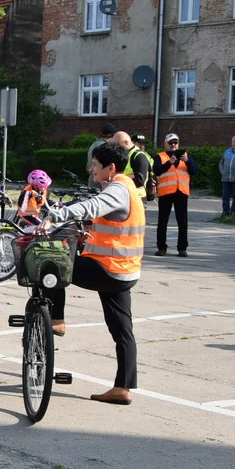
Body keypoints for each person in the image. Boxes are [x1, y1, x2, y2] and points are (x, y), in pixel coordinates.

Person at [40, 141, 144, 406]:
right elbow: (104, 217)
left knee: (53, 262)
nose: (91, 168)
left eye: (95, 165)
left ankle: (57, 319)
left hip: (108, 269)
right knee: (123, 331)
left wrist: (56, 216)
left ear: (111, 168)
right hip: (125, 272)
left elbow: (93, 207)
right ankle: (122, 387)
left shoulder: (118, 188)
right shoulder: (128, 187)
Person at [153, 133, 198, 256]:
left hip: (181, 192)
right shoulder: (160, 156)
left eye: (175, 143)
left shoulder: (186, 156)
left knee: (182, 222)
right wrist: (169, 163)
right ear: (166, 144)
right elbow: (156, 170)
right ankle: (162, 247)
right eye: (171, 143)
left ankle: (182, 248)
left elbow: (194, 171)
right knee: (162, 222)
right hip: (166, 192)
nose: (173, 145)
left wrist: (188, 162)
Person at [112, 131, 151, 200]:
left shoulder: (139, 156)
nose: (116, 148)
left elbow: (140, 180)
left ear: (126, 142)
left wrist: (120, 178)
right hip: (125, 195)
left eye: (118, 145)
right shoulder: (125, 154)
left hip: (137, 197)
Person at [87, 123, 116, 188]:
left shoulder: (94, 144)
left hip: (92, 179)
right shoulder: (105, 147)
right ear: (113, 135)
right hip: (101, 180)